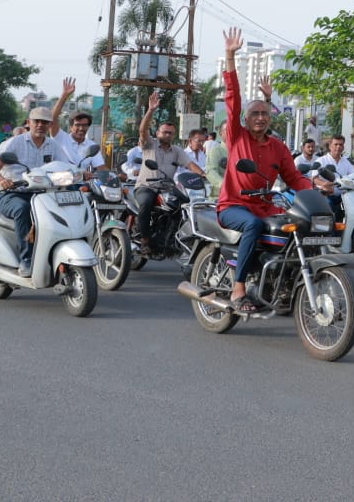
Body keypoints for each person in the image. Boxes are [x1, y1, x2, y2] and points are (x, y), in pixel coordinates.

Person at [218, 28, 312, 314]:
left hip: (265, 205)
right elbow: (232, 102)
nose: (260, 118)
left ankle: (285, 283)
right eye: (254, 114)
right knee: (253, 226)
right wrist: (230, 57)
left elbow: (293, 177)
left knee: (301, 225)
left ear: (271, 118)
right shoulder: (237, 137)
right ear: (246, 120)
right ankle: (239, 288)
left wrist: (314, 193)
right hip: (233, 205)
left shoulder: (278, 146)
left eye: (265, 114)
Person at [0, 107, 65, 274]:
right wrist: (2, 181)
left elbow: (65, 167)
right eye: (36, 121)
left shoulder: (54, 146)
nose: (40, 125)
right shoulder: (14, 143)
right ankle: (27, 259)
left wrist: (82, 173)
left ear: (50, 124)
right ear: (28, 123)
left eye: (45, 122)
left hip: (44, 195)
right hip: (13, 194)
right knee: (23, 209)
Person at [132, 91, 200, 249]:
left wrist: (203, 175)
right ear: (157, 133)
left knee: (185, 204)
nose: (168, 135)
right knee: (146, 204)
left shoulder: (177, 150)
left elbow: (190, 164)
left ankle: (173, 238)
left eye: (170, 133)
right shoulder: (150, 144)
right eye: (165, 132)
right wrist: (150, 110)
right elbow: (142, 130)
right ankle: (144, 240)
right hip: (146, 187)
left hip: (167, 188)